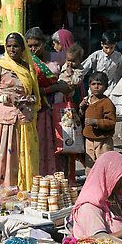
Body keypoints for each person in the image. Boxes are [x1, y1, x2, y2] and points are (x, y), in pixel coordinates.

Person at [0, 32, 41, 191]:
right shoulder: (0, 65)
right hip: (5, 119)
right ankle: (4, 187)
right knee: (6, 155)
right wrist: (5, 98)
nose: (12, 49)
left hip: (24, 117)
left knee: (22, 155)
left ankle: (23, 187)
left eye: (15, 46)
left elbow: (35, 95)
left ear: (23, 48)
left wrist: (29, 99)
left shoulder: (27, 67)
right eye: (8, 46)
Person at [25, 26, 77, 180]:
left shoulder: (59, 58)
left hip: (60, 109)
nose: (33, 49)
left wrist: (62, 88)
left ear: (44, 42)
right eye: (30, 46)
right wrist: (53, 88)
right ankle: (42, 178)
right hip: (39, 110)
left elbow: (69, 82)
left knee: (62, 144)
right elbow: (29, 90)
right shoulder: (27, 62)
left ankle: (62, 178)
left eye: (37, 45)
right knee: (41, 146)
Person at [69, 151, 122, 241]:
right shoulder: (89, 208)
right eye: (121, 178)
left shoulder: (118, 197)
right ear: (109, 176)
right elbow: (101, 240)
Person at [79, 71, 116, 175]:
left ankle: (105, 188)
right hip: (89, 139)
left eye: (99, 84)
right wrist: (81, 108)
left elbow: (111, 122)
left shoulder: (107, 103)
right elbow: (81, 118)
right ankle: (91, 187)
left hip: (102, 140)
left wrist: (96, 122)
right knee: (90, 166)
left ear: (105, 87)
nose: (96, 87)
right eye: (93, 84)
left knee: (104, 166)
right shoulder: (87, 101)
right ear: (89, 85)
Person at [81, 31, 122, 97]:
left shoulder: (118, 56)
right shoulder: (96, 55)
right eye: (106, 47)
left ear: (115, 45)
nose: (109, 50)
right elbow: (84, 67)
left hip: (111, 89)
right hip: (96, 88)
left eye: (111, 47)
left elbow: (119, 73)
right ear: (102, 44)